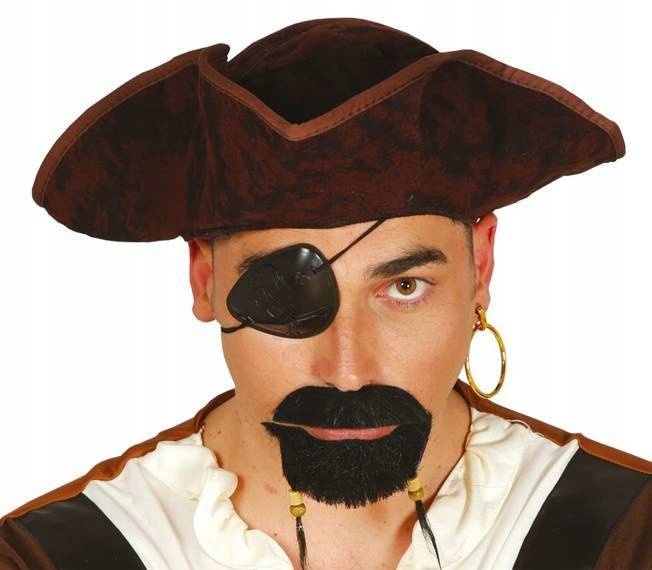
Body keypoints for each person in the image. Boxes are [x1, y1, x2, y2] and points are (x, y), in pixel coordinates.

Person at [1, 17, 649, 570]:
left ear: (481, 267)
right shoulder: (50, 558)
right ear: (205, 279)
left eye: (403, 287)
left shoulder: (628, 537)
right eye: (284, 292)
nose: (347, 371)